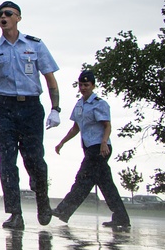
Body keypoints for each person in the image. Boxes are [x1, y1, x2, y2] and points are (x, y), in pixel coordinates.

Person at [0, 1, 60, 230]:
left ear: (18, 17)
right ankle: (15, 213)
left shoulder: (35, 45)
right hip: (5, 108)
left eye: (8, 13)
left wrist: (55, 108)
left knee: (34, 158)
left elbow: (50, 79)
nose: (3, 17)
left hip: (30, 107)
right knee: (7, 161)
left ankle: (42, 198)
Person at [53, 70, 130, 229]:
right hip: (89, 148)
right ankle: (121, 217)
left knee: (82, 179)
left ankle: (63, 210)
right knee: (105, 184)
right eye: (81, 85)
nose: (83, 88)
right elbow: (76, 128)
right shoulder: (79, 104)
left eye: (86, 85)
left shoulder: (99, 103)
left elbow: (107, 126)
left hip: (100, 148)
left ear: (93, 85)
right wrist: (62, 142)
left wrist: (103, 143)